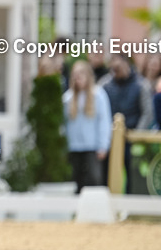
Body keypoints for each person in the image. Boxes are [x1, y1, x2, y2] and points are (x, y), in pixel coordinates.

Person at [100, 55, 155, 193]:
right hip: (110, 138)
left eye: (118, 67)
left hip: (132, 139)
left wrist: (136, 133)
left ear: (126, 64)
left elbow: (147, 112)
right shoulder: (105, 84)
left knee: (133, 176)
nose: (116, 71)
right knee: (106, 175)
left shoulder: (141, 85)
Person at [62, 61, 111, 193]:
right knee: (76, 180)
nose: (78, 79)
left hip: (92, 147)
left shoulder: (98, 95)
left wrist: (103, 145)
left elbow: (104, 122)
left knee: (94, 180)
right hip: (74, 147)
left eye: (81, 75)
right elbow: (63, 125)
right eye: (75, 75)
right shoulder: (67, 98)